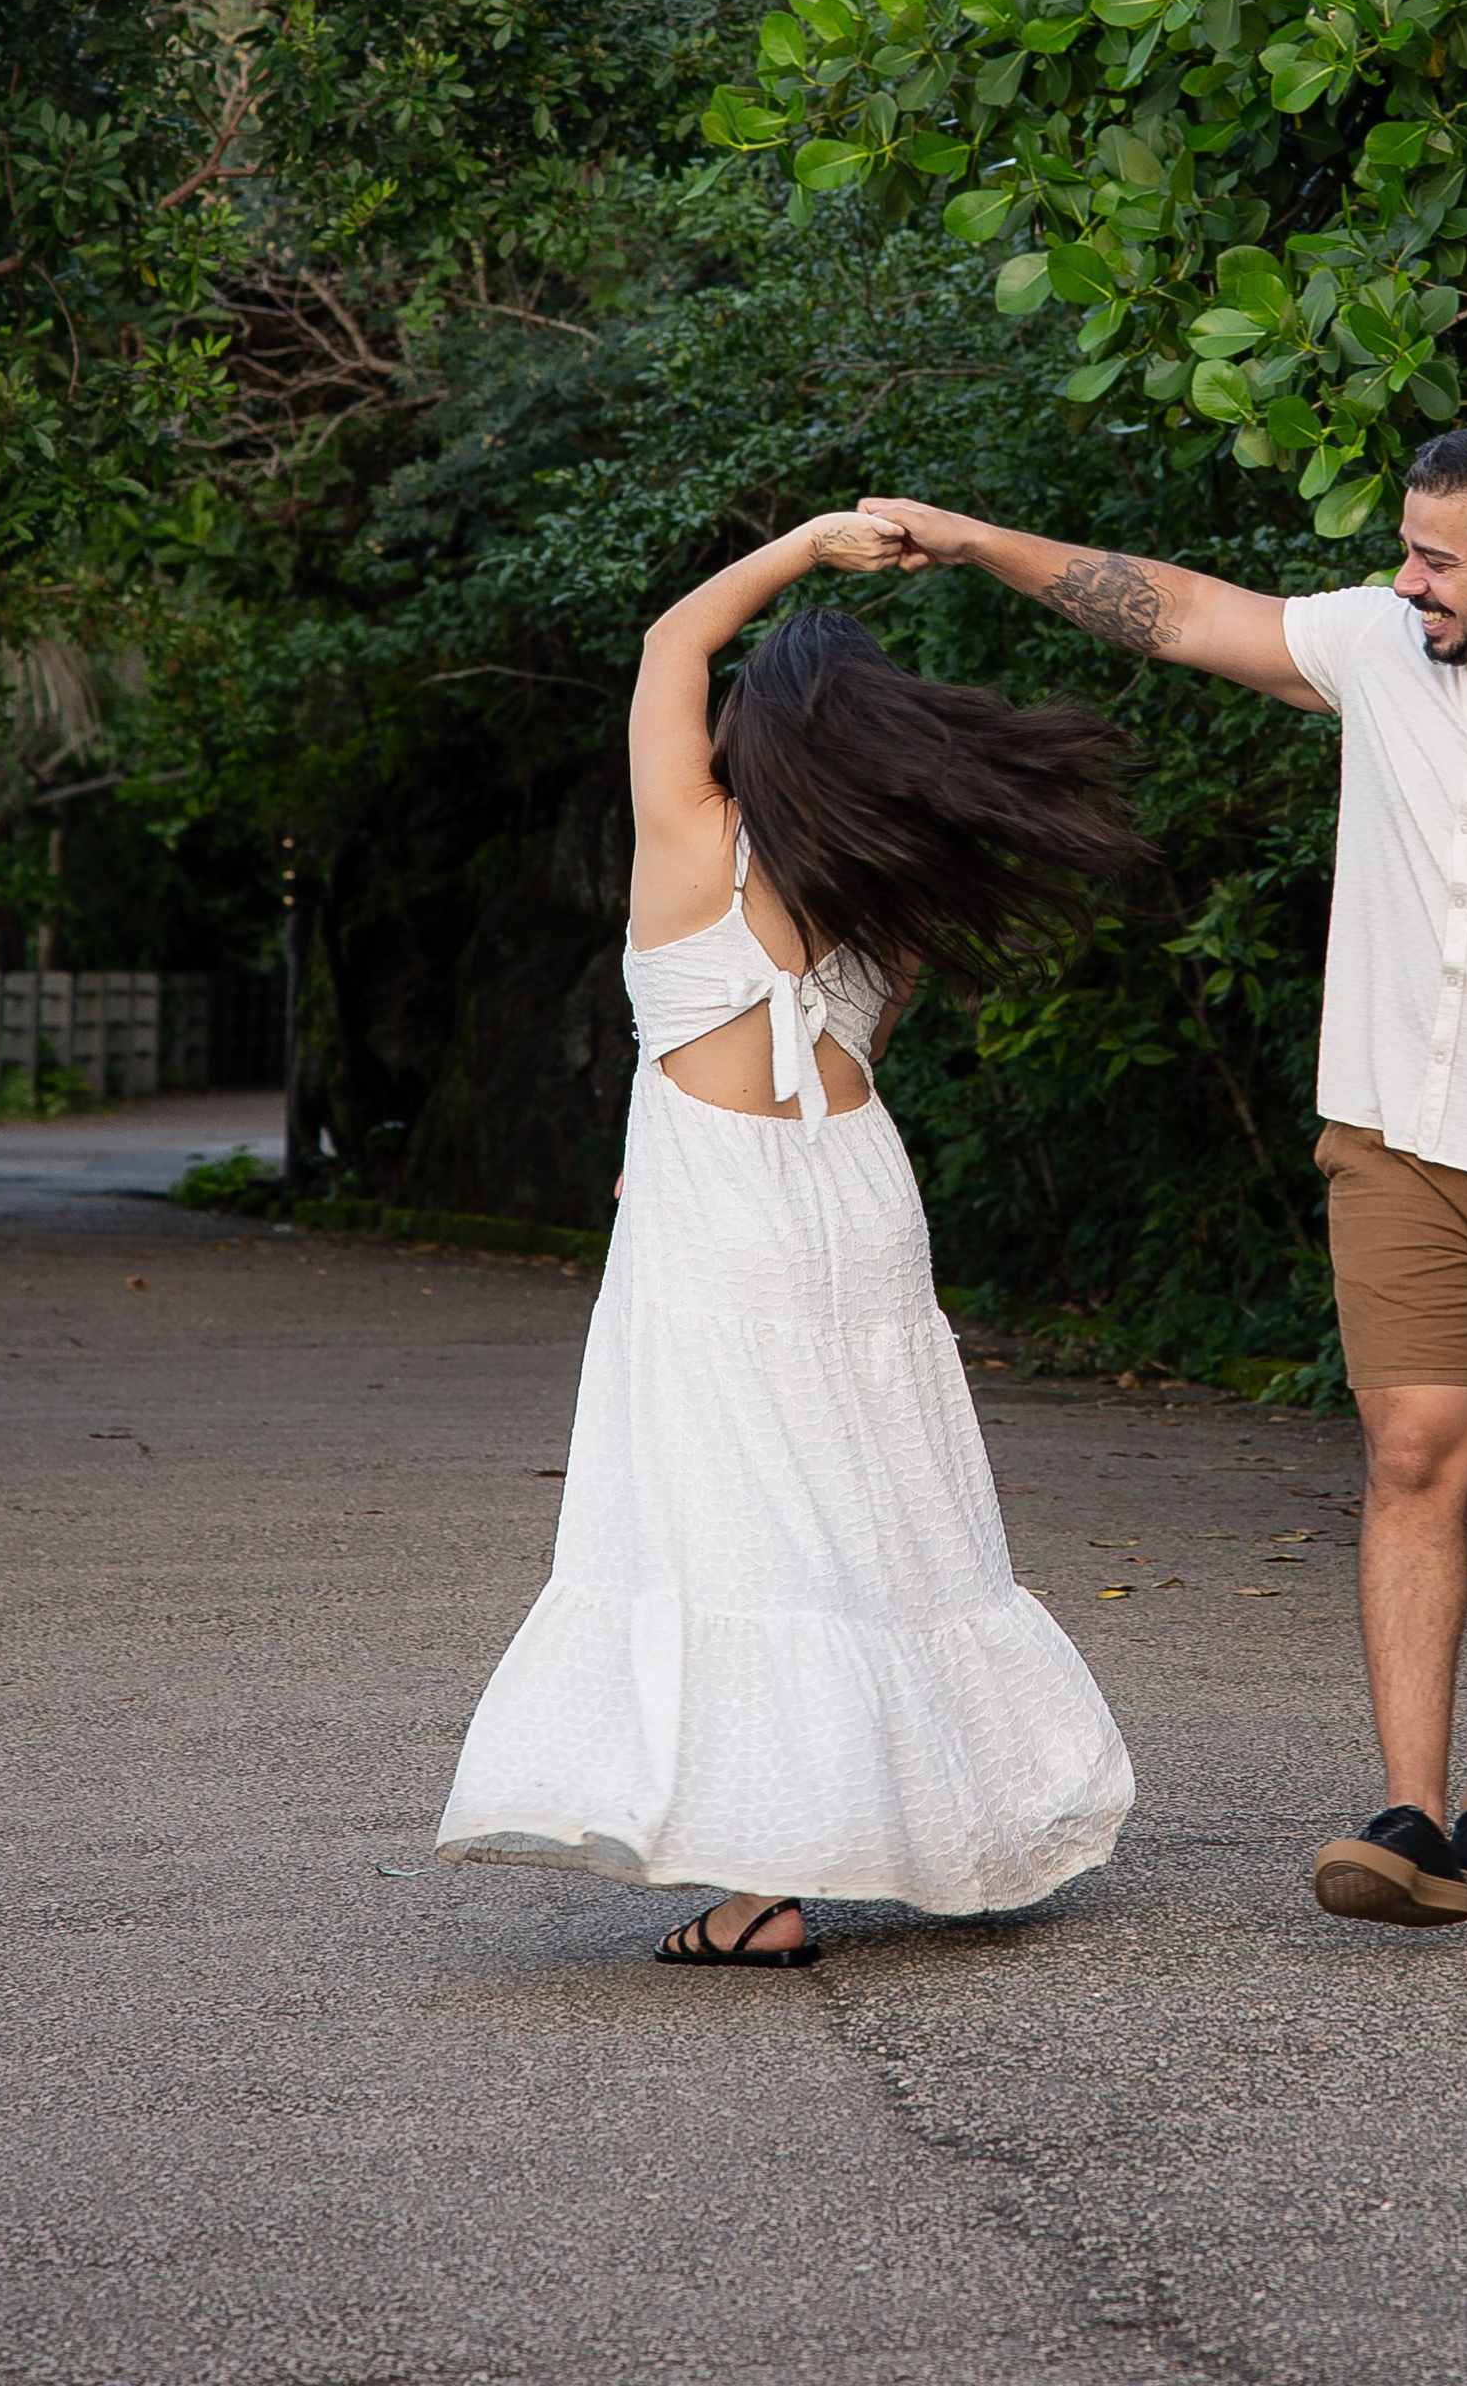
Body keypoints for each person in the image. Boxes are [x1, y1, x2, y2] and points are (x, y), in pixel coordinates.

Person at [859, 423, 1467, 1931]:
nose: (1404, 579)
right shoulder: (1382, 644)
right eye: (1405, 551)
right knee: (1418, 1447)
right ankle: (1407, 1811)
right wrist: (970, 536)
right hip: (1397, 1135)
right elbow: (1178, 608)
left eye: (1436, 557)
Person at [436, 513, 1144, 1962]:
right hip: (858, 1194)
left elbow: (668, 641)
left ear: (748, 736)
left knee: (736, 1520)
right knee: (881, 1506)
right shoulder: (882, 890)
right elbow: (851, 1038)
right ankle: (960, 1822)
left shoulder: (692, 843)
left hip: (724, 1196)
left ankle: (762, 1886)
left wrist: (811, 544)